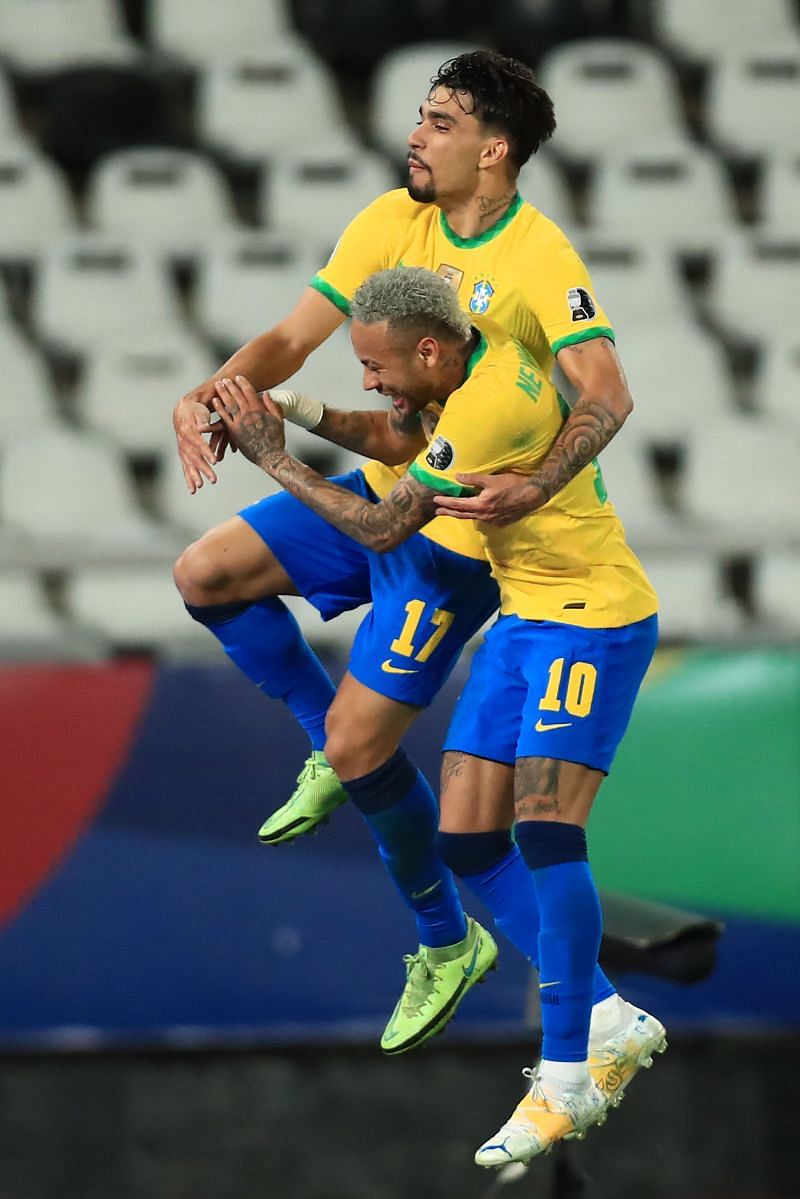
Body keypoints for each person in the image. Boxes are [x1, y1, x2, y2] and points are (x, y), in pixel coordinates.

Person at [172, 50, 635, 1056]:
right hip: (388, 479)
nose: (414, 135)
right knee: (203, 574)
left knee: (361, 745)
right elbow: (291, 340)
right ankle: (326, 746)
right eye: (418, 118)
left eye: (436, 121)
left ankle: (444, 940)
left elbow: (606, 394)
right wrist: (216, 387)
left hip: (453, 542)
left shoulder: (538, 261)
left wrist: (533, 483)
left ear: (492, 148)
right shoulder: (392, 221)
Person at [209, 266, 666, 1162]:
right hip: (525, 615)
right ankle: (611, 1014)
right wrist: (298, 404)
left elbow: (384, 528)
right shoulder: (465, 368)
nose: (370, 379)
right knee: (468, 840)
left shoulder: (493, 399)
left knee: (544, 828)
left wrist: (272, 453)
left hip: (591, 617)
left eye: (376, 364)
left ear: (428, 347)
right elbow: (397, 431)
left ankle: (568, 1072)